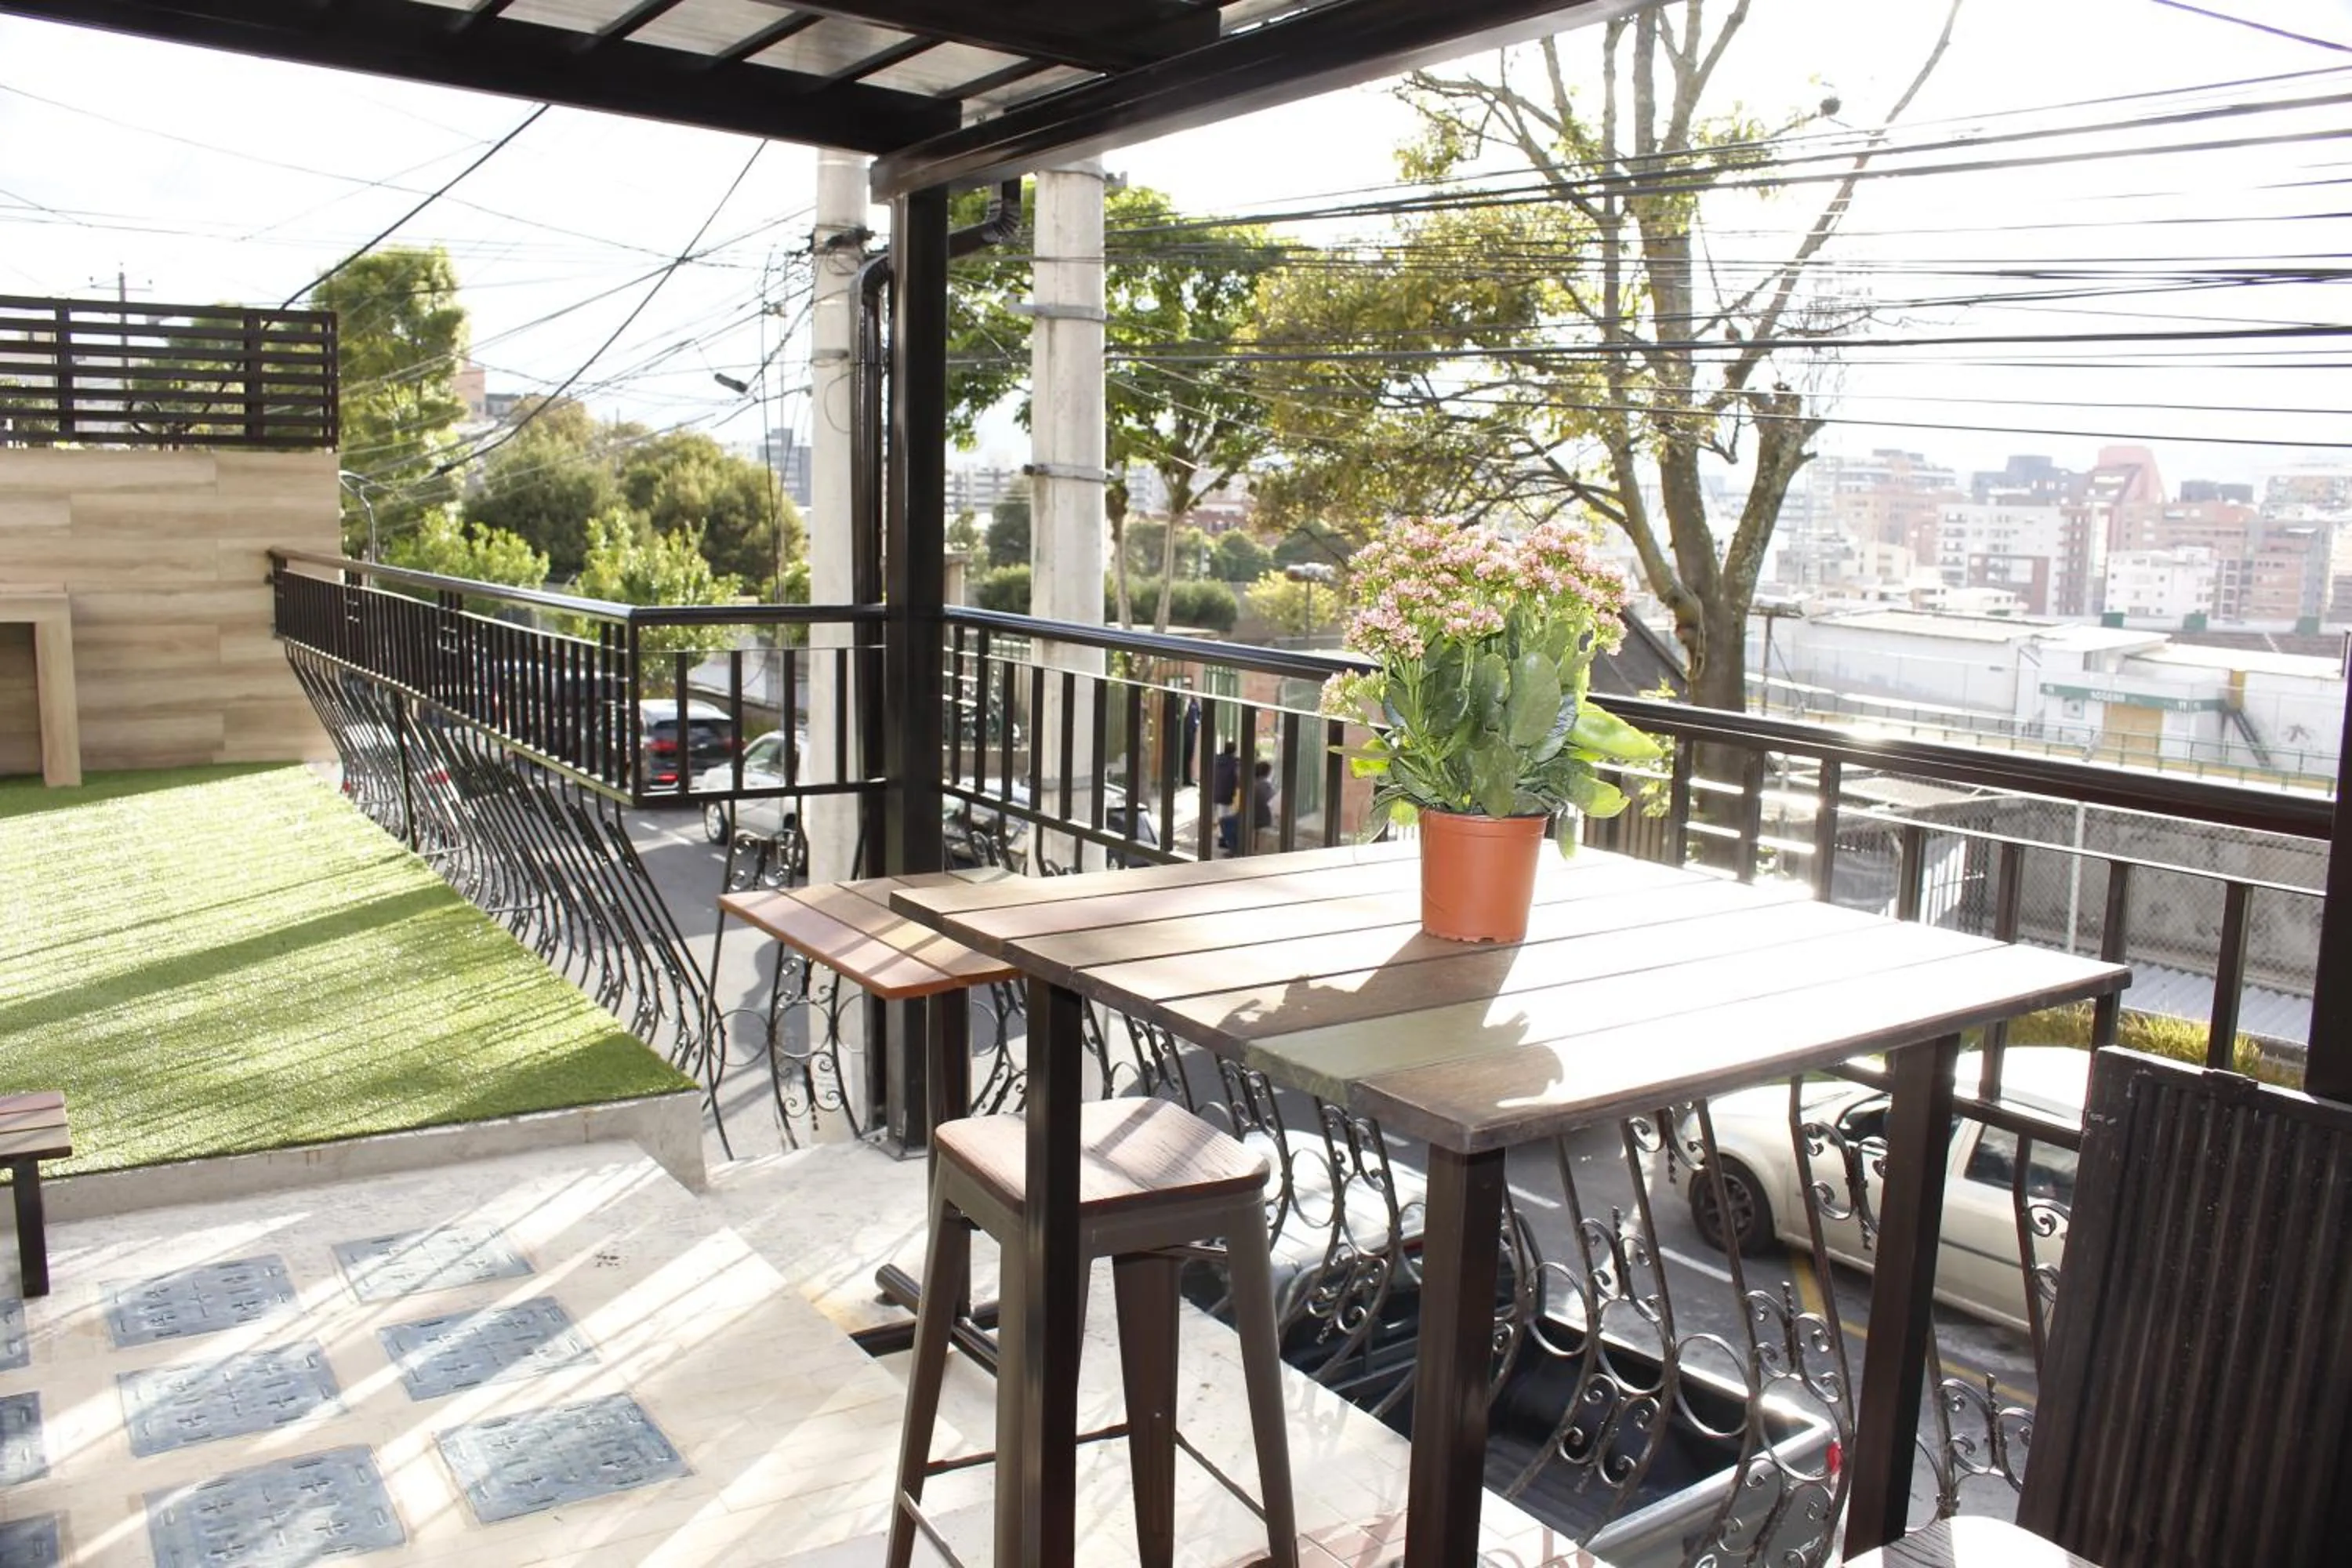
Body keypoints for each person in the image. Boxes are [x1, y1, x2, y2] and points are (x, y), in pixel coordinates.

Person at [1210, 741, 1241, 849]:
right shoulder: (1234, 763)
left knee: (1220, 815)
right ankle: (1222, 838)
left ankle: (1221, 836)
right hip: (1227, 793)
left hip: (1215, 791)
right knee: (1225, 817)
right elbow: (1237, 779)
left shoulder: (1216, 760)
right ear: (1234, 750)